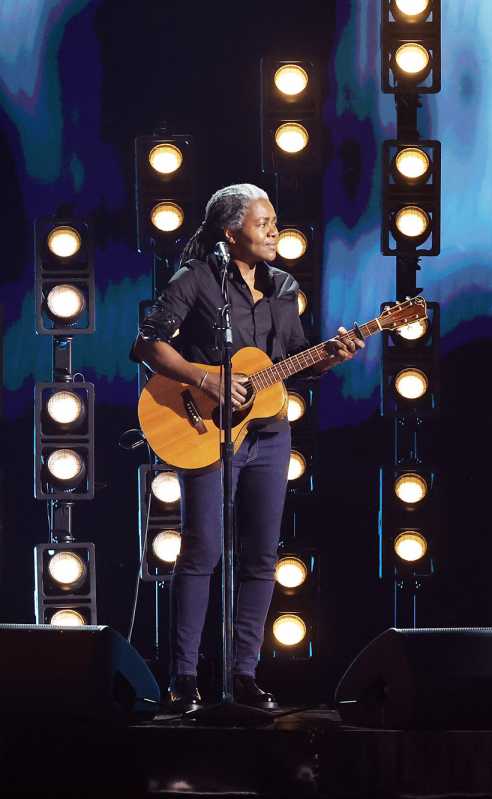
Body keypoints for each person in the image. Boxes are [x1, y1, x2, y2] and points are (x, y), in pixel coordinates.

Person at [131, 184, 364, 712]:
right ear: (231, 233)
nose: (275, 231)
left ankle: (243, 674)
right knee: (202, 552)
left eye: (275, 222)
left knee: (261, 557)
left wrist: (332, 355)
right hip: (203, 428)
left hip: (270, 432)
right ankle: (185, 677)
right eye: (264, 224)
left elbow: (293, 359)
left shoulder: (283, 286)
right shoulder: (197, 279)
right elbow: (147, 344)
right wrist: (205, 380)